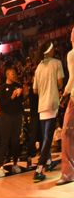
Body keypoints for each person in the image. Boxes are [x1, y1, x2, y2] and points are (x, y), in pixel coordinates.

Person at [32, 42, 64, 182]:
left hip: (42, 105)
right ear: (49, 51)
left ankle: (49, 163)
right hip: (52, 103)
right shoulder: (56, 63)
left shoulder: (38, 67)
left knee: (45, 136)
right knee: (47, 139)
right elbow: (60, 84)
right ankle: (39, 169)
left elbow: (35, 90)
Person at [0, 68, 24, 177]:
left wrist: (21, 94)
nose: (14, 75)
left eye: (15, 73)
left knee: (16, 142)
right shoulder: (2, 88)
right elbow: (1, 104)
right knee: (5, 141)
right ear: (7, 75)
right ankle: (0, 167)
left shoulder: (18, 86)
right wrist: (12, 97)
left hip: (17, 117)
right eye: (12, 74)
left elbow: (21, 102)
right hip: (6, 118)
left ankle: (15, 164)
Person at [58, 26, 74, 186]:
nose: (70, 36)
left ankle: (68, 173)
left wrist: (64, 96)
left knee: (67, 134)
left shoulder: (71, 54)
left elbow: (72, 78)